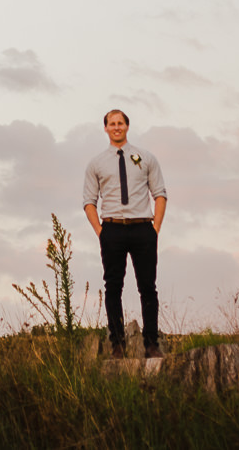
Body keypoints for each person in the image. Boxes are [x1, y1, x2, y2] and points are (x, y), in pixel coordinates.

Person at [82, 107, 167, 358]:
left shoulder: (146, 157)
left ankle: (151, 343)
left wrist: (155, 229)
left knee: (148, 287)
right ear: (106, 128)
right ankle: (117, 345)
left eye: (120, 123)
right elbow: (89, 200)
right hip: (112, 229)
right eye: (112, 123)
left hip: (143, 228)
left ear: (127, 126)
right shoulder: (96, 163)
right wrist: (100, 231)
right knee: (112, 288)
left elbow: (160, 194)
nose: (116, 127)